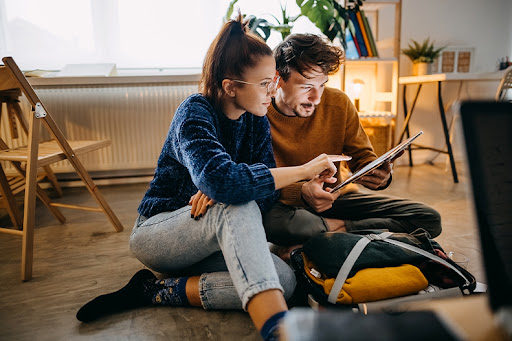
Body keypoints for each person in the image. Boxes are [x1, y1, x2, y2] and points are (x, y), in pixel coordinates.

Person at [76, 16, 343, 341]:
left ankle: (156, 290)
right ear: (230, 87)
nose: (271, 90)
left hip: (211, 236)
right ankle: (280, 332)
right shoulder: (194, 114)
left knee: (284, 282)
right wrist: (300, 172)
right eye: (263, 84)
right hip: (159, 234)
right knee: (236, 204)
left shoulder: (255, 118)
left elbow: (262, 197)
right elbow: (227, 185)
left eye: (272, 80)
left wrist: (227, 187)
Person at [262, 34, 442, 255]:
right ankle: (348, 236)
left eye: (322, 85)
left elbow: (362, 157)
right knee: (271, 222)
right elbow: (256, 179)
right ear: (277, 79)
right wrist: (302, 191)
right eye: (307, 86)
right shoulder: (258, 112)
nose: (317, 97)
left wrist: (379, 173)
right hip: (285, 205)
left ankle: (335, 231)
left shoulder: (338, 103)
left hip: (335, 199)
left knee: (428, 219)